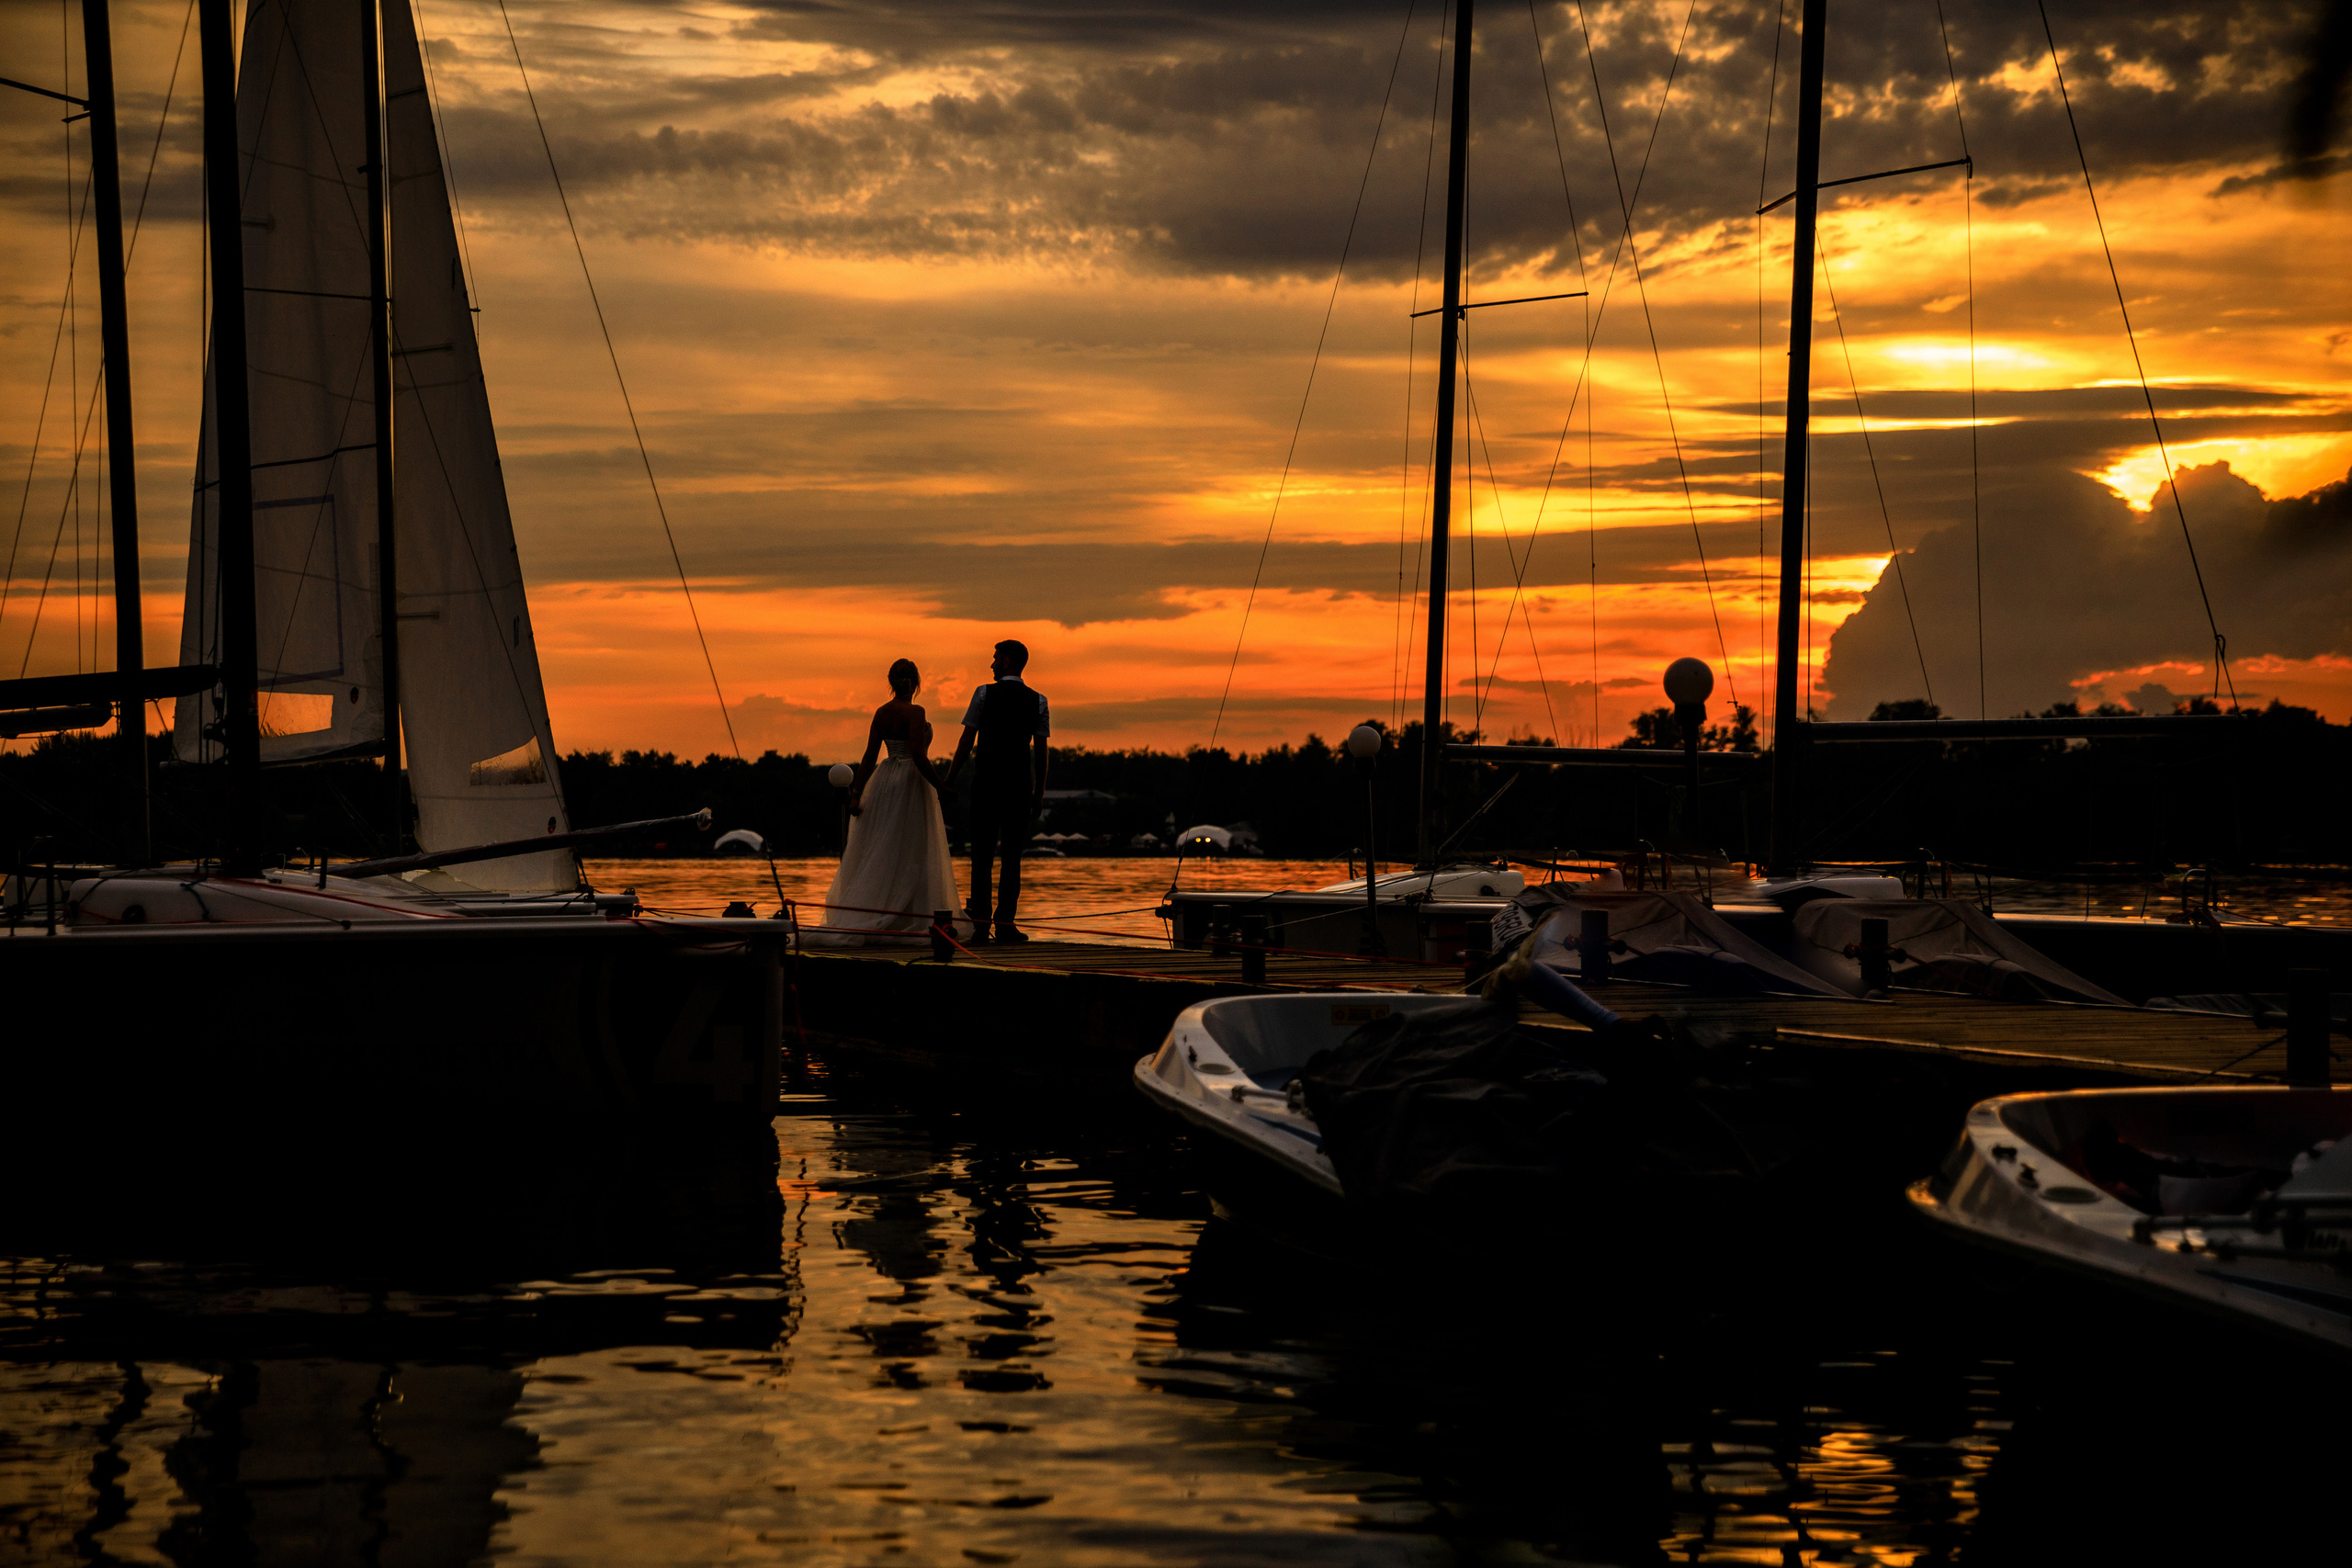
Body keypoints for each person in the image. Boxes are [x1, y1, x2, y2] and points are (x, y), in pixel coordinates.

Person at [808, 660, 966, 947]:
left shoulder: (882, 712)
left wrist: (857, 794)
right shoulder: (916, 712)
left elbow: (869, 756)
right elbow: (918, 755)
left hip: (884, 781)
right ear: (916, 682)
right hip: (910, 783)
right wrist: (941, 786)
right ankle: (907, 916)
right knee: (912, 847)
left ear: (891, 682)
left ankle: (888, 911)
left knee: (887, 844)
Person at [944, 639, 1048, 942]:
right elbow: (1041, 754)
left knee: (982, 858)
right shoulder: (1039, 701)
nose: (991, 664)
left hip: (986, 785)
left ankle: (980, 926)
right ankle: (1005, 924)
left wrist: (950, 779)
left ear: (1007, 662)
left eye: (995, 658)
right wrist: (1038, 794)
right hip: (1019, 788)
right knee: (1012, 858)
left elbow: (966, 741)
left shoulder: (983, 694)